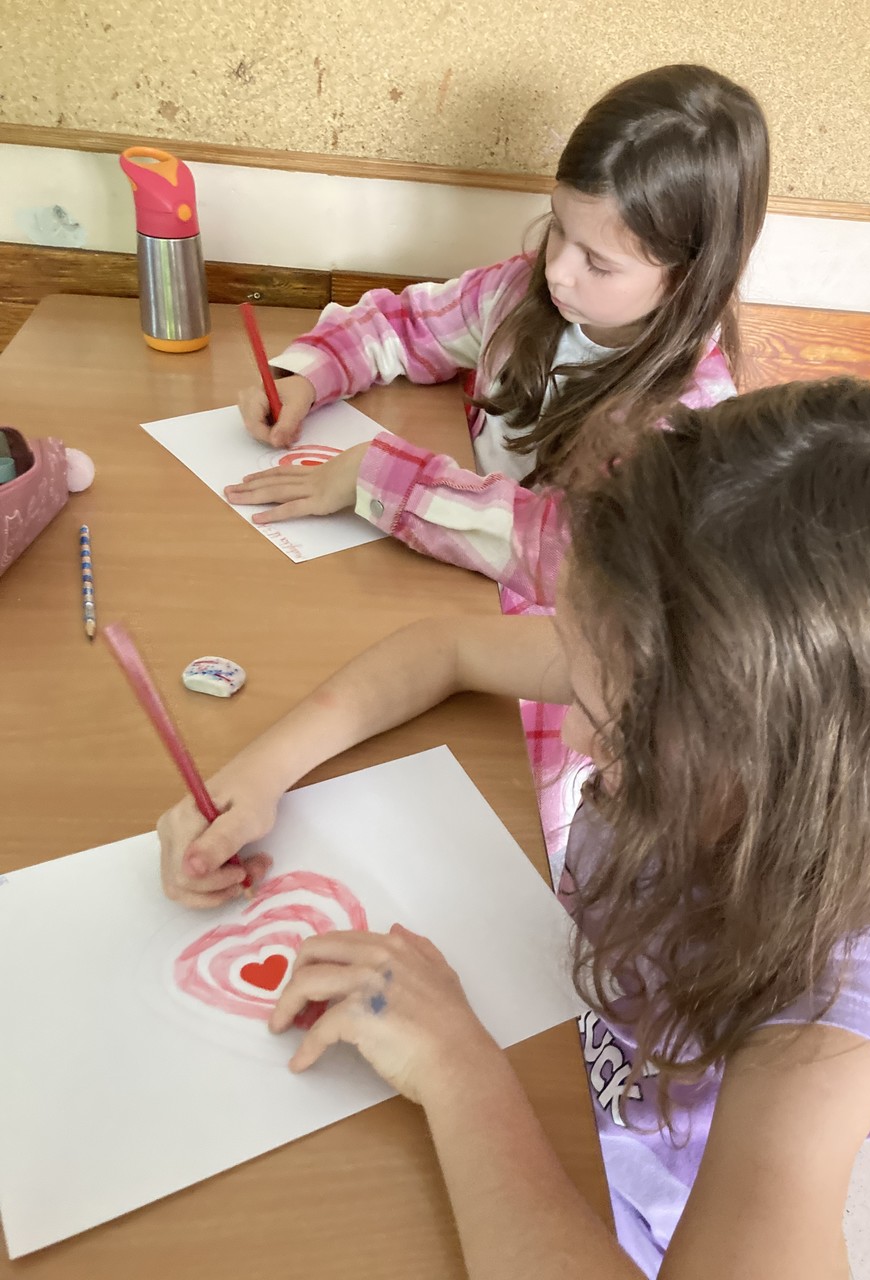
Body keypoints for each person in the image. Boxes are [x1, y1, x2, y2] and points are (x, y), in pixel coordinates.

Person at [160, 377, 870, 1277]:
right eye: (578, 684)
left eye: (612, 726)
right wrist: (260, 774)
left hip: (630, 1197)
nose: (573, 737)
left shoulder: (836, 1007)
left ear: (785, 768)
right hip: (550, 1042)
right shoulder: (671, 667)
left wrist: (460, 1072)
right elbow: (444, 648)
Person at [225, 63, 771, 878]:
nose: (559, 270)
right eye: (558, 229)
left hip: (561, 667)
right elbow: (407, 325)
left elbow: (567, 556)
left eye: (598, 262)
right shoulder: (524, 297)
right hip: (447, 602)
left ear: (689, 278)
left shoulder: (692, 420)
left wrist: (382, 476)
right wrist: (307, 374)